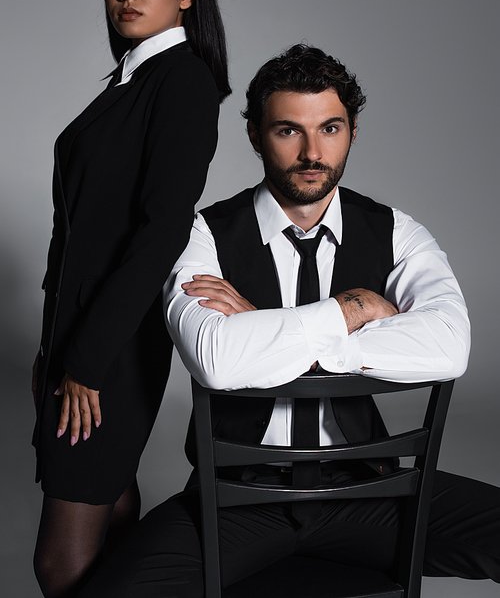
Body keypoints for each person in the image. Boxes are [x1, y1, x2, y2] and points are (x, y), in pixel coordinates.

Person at [79, 45, 499, 597]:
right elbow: (218, 360)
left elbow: (450, 344)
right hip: (234, 501)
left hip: (372, 494)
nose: (311, 152)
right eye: (287, 131)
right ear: (254, 134)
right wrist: (354, 312)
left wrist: (272, 329)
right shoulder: (200, 235)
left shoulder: (397, 232)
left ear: (351, 131)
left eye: (330, 128)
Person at [32, 0, 231, 598]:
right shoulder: (127, 81)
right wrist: (58, 350)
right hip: (76, 341)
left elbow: (160, 232)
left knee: (61, 567)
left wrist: (85, 360)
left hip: (108, 351)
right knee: (112, 515)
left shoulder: (182, 82)